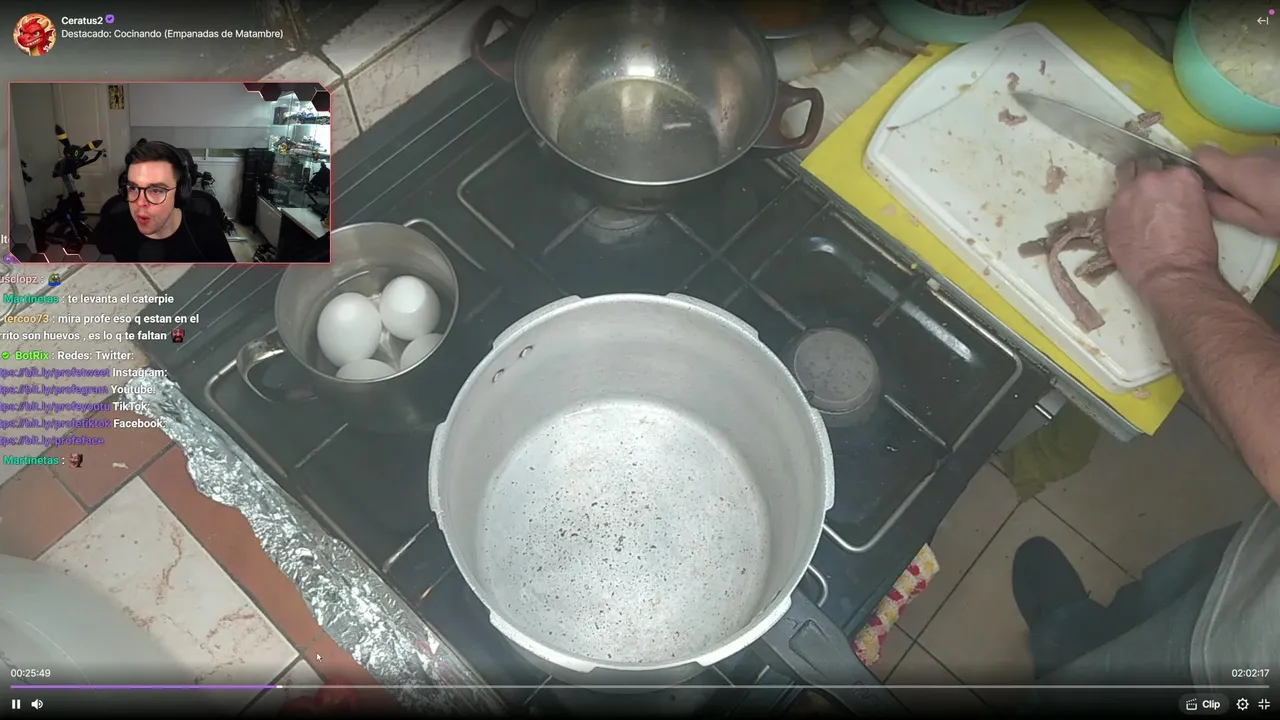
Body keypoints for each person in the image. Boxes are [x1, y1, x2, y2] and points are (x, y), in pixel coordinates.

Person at [1012, 146, 1280, 701]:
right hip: (1258, 568)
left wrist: (1174, 269)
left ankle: (1068, 656)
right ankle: (1074, 632)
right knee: (1177, 590)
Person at [92, 141, 236, 262]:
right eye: (133, 188)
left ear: (180, 193)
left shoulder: (207, 233)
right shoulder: (109, 228)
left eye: (156, 190)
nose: (140, 203)